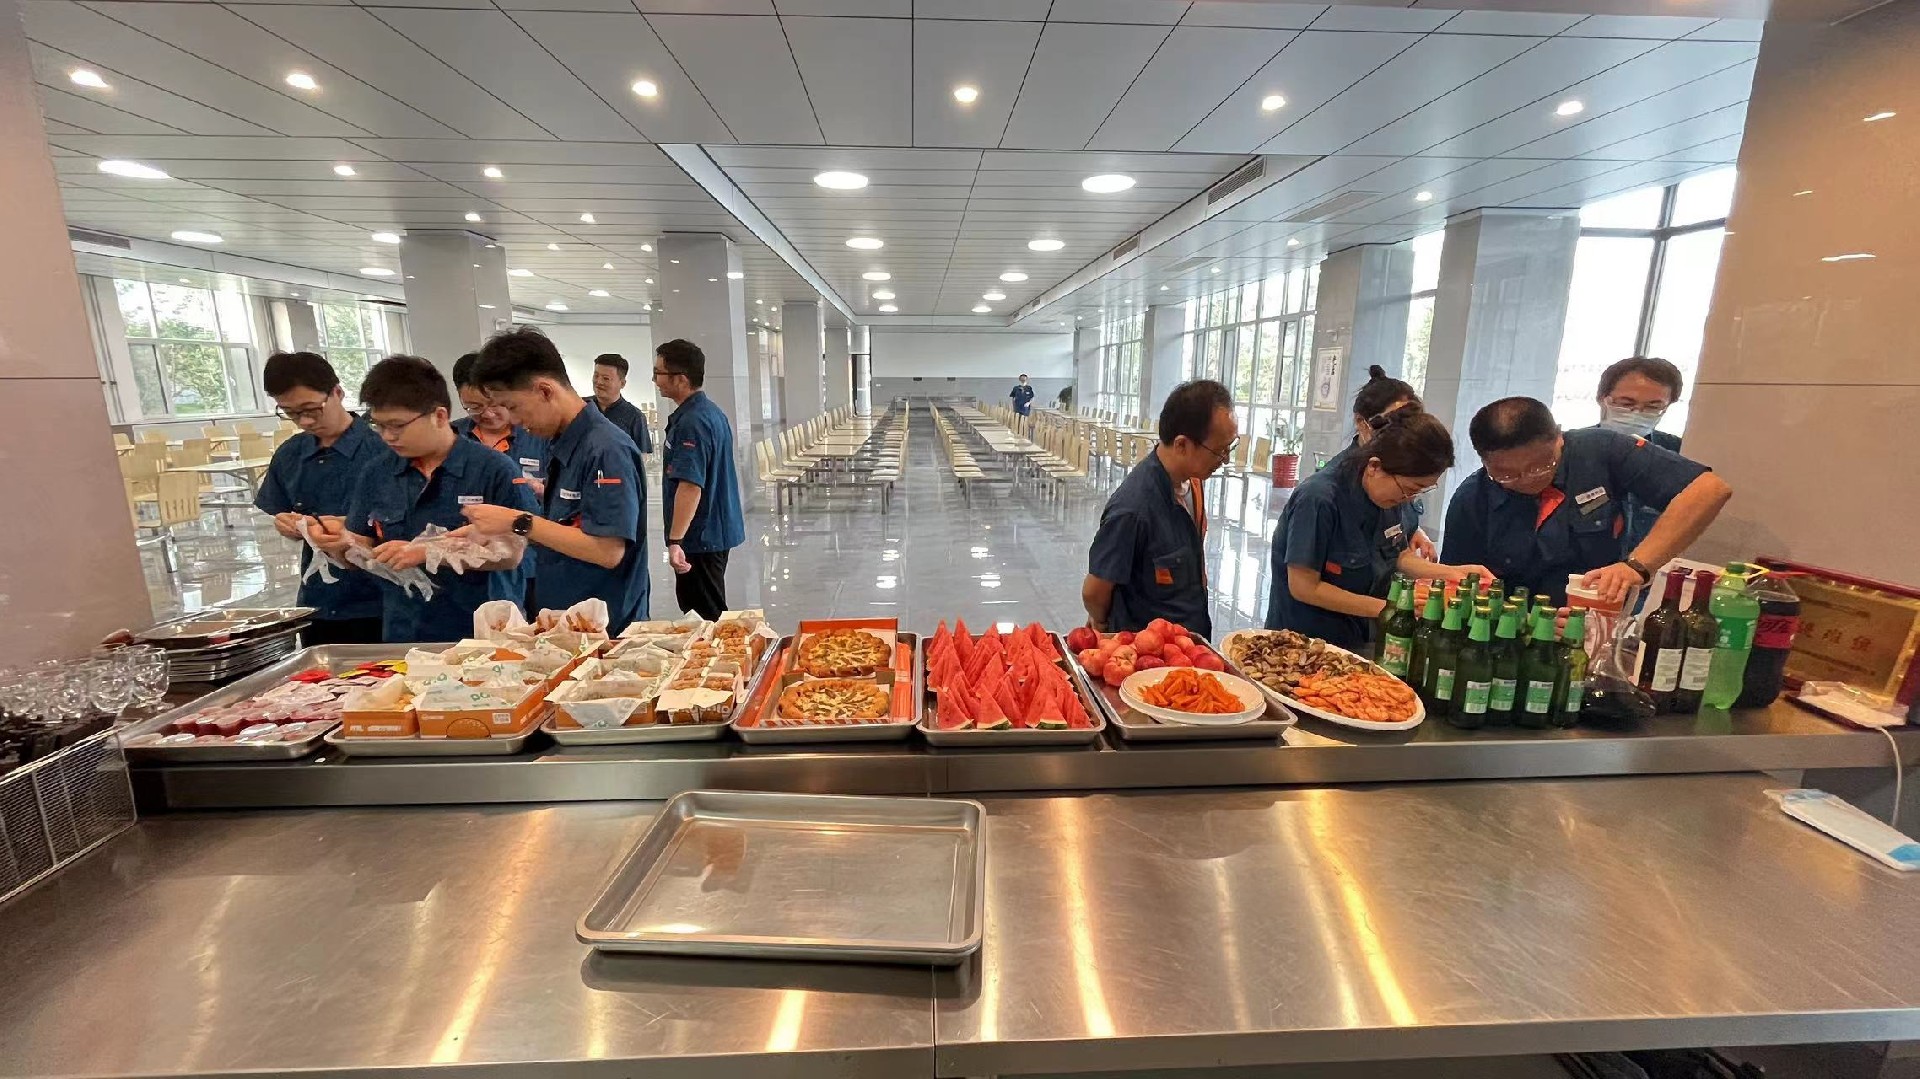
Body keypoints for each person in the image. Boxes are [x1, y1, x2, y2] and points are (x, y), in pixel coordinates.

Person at [307, 356, 535, 643]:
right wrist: (341, 544)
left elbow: (511, 552)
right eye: (379, 426)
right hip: (406, 630)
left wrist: (432, 551)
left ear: (439, 416)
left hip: (483, 632)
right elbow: (365, 544)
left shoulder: (492, 469)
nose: (388, 436)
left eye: (397, 425)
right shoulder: (377, 473)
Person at [1442, 396, 1732, 607]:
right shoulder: (1472, 499)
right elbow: (1455, 585)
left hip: (1599, 614)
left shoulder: (1600, 450)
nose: (1527, 479)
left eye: (1540, 466)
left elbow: (1709, 490)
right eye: (1507, 474)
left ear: (1558, 437)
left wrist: (1637, 566)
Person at [463, 328, 651, 634]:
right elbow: (568, 529)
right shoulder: (563, 442)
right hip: (569, 622)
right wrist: (496, 531)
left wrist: (518, 522)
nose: (513, 421)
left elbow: (607, 551)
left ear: (545, 391)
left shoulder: (606, 449)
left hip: (604, 631)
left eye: (512, 407)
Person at [1265, 410, 1492, 651]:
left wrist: (1452, 573)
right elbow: (1304, 587)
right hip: (1302, 642)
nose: (1409, 498)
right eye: (1410, 488)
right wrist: (1392, 607)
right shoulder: (1318, 499)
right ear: (1374, 466)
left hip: (1357, 635)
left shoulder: (1391, 498)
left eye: (1420, 491)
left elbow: (1397, 556)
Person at [1082, 380, 1238, 639]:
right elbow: (1094, 592)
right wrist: (1103, 625)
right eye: (1219, 451)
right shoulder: (1133, 509)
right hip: (1150, 651)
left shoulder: (1193, 481)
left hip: (1191, 639)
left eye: (1230, 447)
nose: (1226, 460)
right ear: (1181, 445)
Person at [253, 351, 387, 644]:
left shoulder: (384, 450)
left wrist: (354, 530)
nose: (304, 421)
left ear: (337, 392)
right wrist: (287, 524)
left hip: (381, 602)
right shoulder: (291, 455)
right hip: (319, 603)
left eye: (311, 408)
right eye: (290, 413)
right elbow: (283, 511)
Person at [654, 338, 745, 621]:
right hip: (712, 530)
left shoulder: (692, 422)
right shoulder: (709, 412)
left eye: (659, 373)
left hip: (701, 534)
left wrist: (676, 540)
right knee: (705, 609)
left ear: (681, 379)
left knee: (706, 616)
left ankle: (727, 650)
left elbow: (690, 486)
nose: (655, 380)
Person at [452, 351, 551, 608]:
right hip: (471, 567)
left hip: (533, 562)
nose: (488, 414)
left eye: (494, 404)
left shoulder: (538, 433)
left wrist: (543, 490)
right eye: (474, 407)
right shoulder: (452, 439)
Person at [1325, 365, 1436, 559]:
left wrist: (1414, 532)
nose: (1402, 434)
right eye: (1393, 425)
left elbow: (1396, 532)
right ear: (1362, 423)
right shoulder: (1329, 490)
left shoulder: (1400, 474)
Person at [1592, 356, 1686, 551]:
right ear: (1602, 399)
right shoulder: (1573, 448)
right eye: (1626, 403)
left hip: (1648, 565)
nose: (1637, 412)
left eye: (1653, 407)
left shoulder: (1677, 453)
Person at [590, 353, 654, 454]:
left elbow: (643, 456)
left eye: (606, 378)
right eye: (596, 376)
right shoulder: (582, 407)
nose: (599, 382)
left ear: (622, 383)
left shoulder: (634, 416)